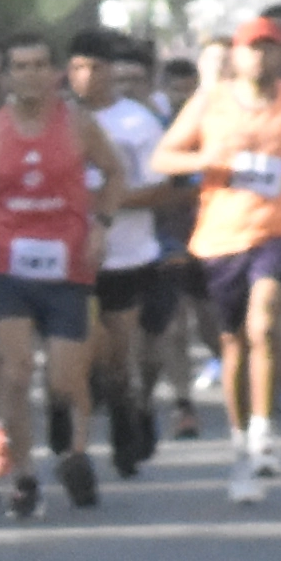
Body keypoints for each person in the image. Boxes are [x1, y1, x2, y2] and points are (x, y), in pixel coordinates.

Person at [153, 11, 281, 509]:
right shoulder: (210, 102)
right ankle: (239, 441)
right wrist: (206, 163)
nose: (261, 56)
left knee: (263, 323)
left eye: (270, 47)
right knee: (231, 343)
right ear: (237, 55)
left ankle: (263, 430)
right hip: (222, 235)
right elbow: (164, 158)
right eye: (253, 47)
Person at [0, 30, 109, 517]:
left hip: (68, 265)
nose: (29, 75)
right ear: (5, 76)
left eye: (38, 65)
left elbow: (116, 173)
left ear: (54, 73)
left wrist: (101, 226)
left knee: (65, 381)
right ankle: (24, 475)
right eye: (19, 66)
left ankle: (75, 452)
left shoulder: (79, 125)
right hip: (7, 265)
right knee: (16, 372)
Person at [84, 29, 185, 469]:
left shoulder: (139, 124)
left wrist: (107, 200)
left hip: (131, 253)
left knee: (125, 354)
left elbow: (163, 191)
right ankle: (81, 437)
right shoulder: (62, 121)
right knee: (87, 351)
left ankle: (135, 410)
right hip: (75, 258)